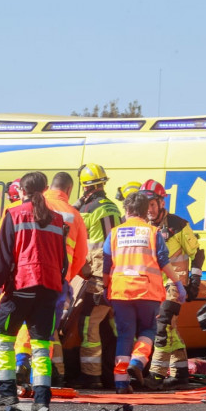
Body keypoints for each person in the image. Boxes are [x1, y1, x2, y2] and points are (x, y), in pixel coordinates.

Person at [0, 171, 67, 410]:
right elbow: (63, 261)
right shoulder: (57, 219)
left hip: (21, 287)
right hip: (49, 289)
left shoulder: (13, 214)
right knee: (42, 345)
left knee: (4, 338)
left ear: (21, 191)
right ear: (44, 190)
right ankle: (42, 398)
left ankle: (8, 393)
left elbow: (3, 253)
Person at [104, 191, 183, 394]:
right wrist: (178, 283)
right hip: (147, 292)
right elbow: (164, 261)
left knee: (124, 335)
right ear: (144, 210)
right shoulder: (152, 232)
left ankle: (121, 383)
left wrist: (106, 289)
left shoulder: (114, 233)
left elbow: (106, 265)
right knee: (148, 330)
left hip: (121, 292)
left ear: (127, 210)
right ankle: (137, 362)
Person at [141, 179, 206, 389]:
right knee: (170, 328)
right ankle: (180, 374)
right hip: (153, 287)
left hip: (174, 284)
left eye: (152, 204)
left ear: (161, 203)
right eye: (145, 204)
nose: (149, 209)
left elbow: (197, 253)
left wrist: (194, 280)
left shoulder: (178, 225)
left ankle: (156, 375)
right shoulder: (143, 226)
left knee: (162, 326)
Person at [71, 163, 121, 388]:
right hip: (117, 276)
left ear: (85, 187)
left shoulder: (87, 211)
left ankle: (91, 376)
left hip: (99, 277)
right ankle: (116, 374)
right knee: (112, 326)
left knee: (88, 324)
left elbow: (85, 246)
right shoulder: (113, 207)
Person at [41, 171, 88, 380]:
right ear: (69, 190)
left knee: (28, 327)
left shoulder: (36, 205)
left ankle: (30, 370)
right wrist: (68, 275)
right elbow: (80, 255)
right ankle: (52, 373)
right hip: (58, 277)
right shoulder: (73, 214)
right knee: (50, 327)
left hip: (30, 275)